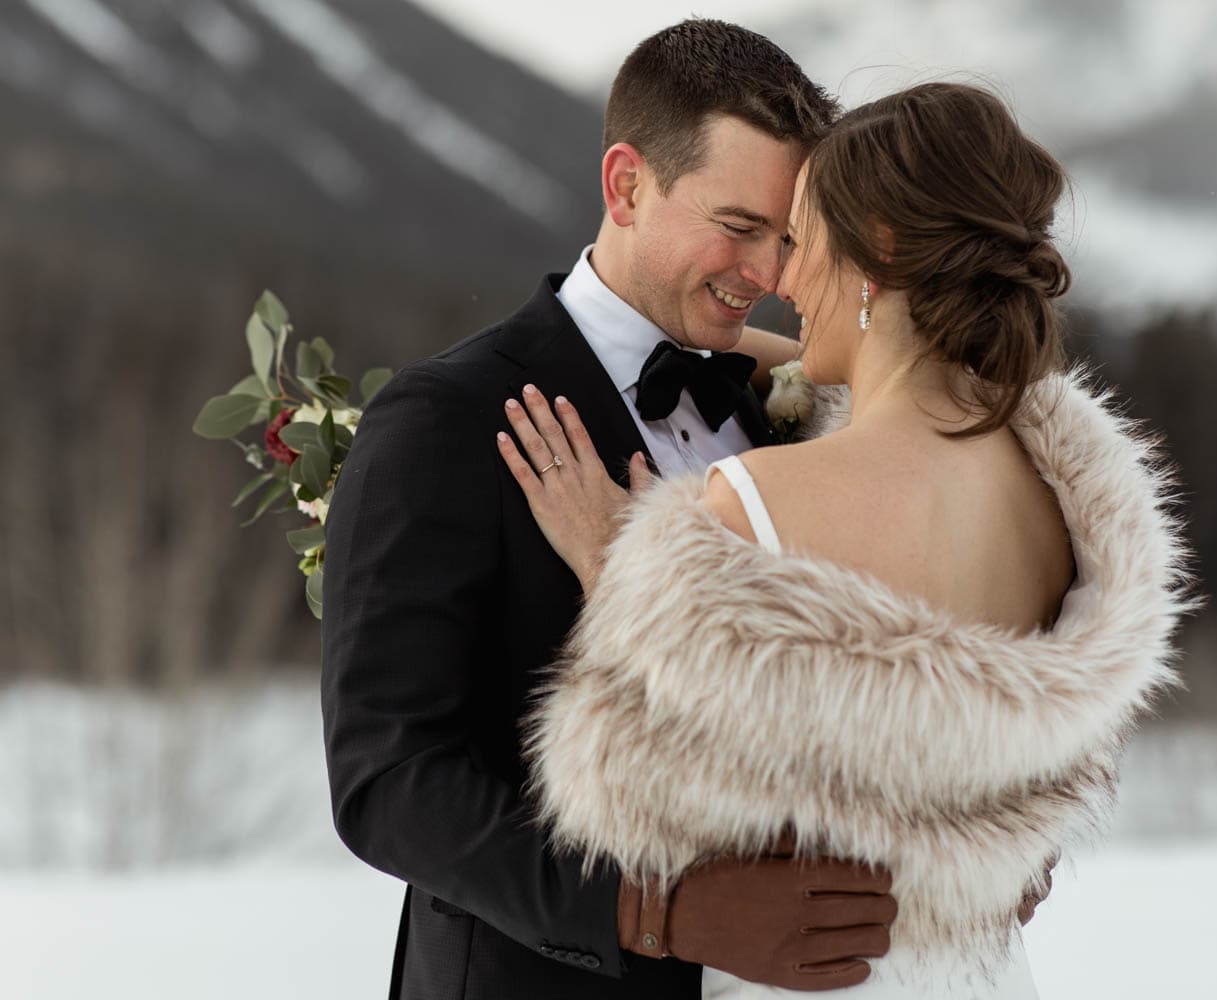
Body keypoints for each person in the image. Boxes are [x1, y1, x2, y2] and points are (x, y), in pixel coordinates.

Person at [323, 19, 1029, 1000]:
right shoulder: (445, 421)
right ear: (625, 184)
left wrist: (974, 840)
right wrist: (650, 911)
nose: (773, 273)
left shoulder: (800, 413)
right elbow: (388, 783)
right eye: (738, 227)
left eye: (790, 237)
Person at [498, 82, 1195, 997]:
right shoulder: (1057, 510)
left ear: (886, 250)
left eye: (803, 238)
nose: (782, 278)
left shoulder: (754, 501)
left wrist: (615, 563)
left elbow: (633, 798)